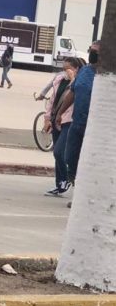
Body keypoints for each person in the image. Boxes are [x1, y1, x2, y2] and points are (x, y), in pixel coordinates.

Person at [56, 41, 99, 188]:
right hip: (77, 124)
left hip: (95, 128)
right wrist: (60, 112)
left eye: (95, 52)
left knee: (90, 162)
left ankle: (84, 193)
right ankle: (78, 188)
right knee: (69, 157)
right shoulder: (85, 71)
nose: (91, 54)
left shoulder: (107, 76)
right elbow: (73, 92)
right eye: (90, 50)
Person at [43, 57, 84, 197]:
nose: (65, 71)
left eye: (68, 68)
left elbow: (75, 94)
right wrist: (47, 119)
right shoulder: (59, 81)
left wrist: (73, 78)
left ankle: (67, 179)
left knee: (59, 152)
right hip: (57, 119)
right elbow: (52, 101)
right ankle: (60, 184)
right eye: (63, 68)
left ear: (76, 69)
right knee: (56, 152)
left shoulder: (80, 82)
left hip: (69, 120)